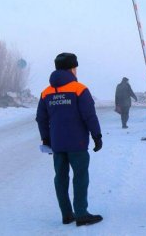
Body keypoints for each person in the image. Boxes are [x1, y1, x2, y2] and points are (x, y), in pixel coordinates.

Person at [35, 52, 103, 226]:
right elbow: (89, 116)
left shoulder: (46, 92)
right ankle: (81, 214)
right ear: (72, 68)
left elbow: (41, 119)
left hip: (57, 144)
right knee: (80, 176)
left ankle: (66, 214)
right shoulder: (79, 89)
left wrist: (46, 139)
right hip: (77, 143)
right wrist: (97, 136)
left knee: (61, 177)